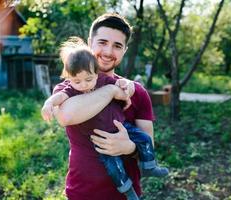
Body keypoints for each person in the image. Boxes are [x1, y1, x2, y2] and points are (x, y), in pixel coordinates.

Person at [52, 13, 166, 200]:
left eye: (117, 46)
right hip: (81, 192)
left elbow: (149, 146)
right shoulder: (70, 86)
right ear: (90, 42)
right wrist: (111, 91)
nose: (107, 52)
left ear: (124, 50)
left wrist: (129, 147)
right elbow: (66, 116)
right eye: (102, 42)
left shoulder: (136, 92)